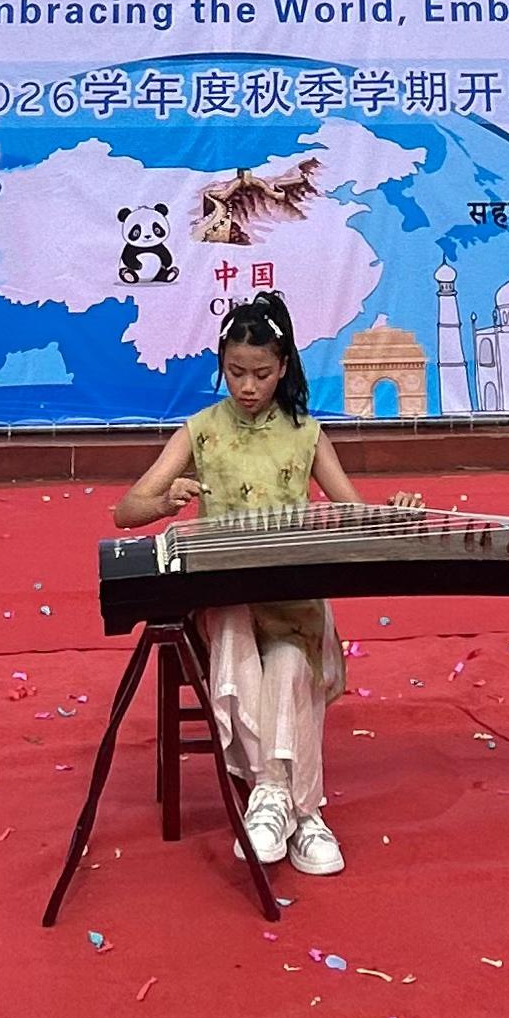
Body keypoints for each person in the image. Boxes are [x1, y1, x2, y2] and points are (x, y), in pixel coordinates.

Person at [112, 291, 395, 878]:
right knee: (234, 625)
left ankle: (280, 804)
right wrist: (166, 501)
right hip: (225, 601)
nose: (247, 386)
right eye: (236, 372)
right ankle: (295, 806)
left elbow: (355, 513)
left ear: (283, 367)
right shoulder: (201, 431)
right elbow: (126, 510)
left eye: (261, 374)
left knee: (289, 663)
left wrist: (398, 512)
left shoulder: (306, 434)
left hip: (291, 601)